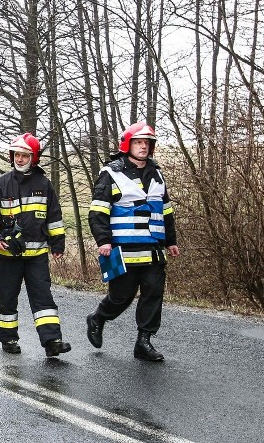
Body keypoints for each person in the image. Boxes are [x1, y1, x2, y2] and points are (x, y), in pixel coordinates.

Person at [86, 122, 180, 361]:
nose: (143, 147)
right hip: (122, 248)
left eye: (147, 143)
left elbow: (166, 211)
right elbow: (98, 212)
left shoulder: (157, 174)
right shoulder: (111, 173)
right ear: (127, 145)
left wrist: (171, 240)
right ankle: (98, 318)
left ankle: (144, 342)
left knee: (153, 293)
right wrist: (103, 240)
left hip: (153, 249)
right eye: (138, 142)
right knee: (121, 296)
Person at [0, 133, 71, 357]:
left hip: (37, 255)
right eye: (17, 155)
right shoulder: (0, 185)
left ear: (34, 158)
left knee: (43, 298)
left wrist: (57, 244)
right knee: (7, 297)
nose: (20, 159)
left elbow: (54, 217)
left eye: (24, 156)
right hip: (9, 255)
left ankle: (52, 342)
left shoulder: (44, 184)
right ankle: (9, 340)